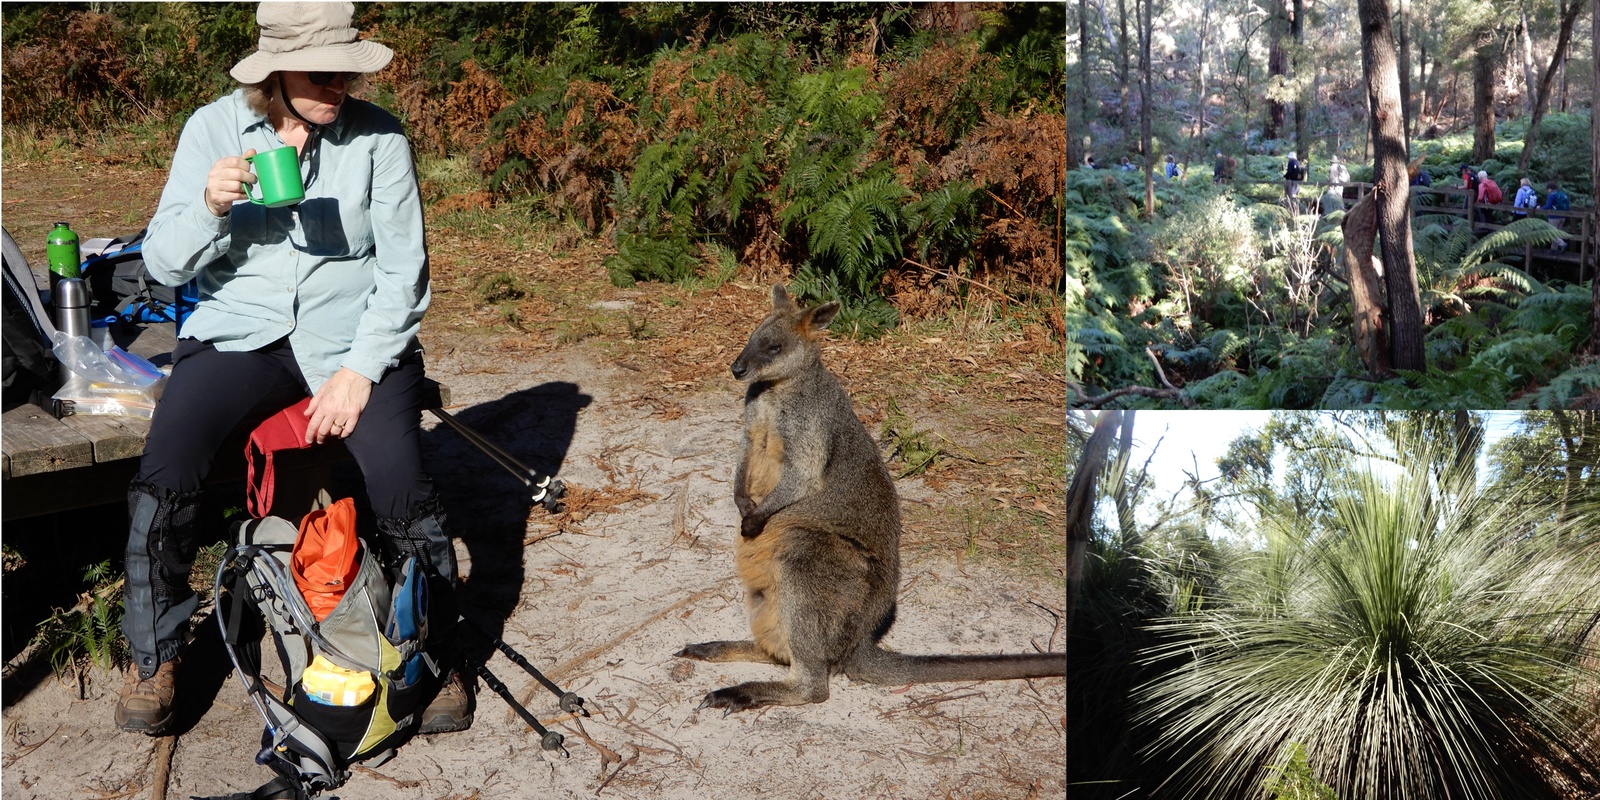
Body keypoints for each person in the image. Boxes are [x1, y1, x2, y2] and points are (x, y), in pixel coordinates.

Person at [114, 2, 473, 737]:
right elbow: (161, 263)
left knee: (401, 480)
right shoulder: (211, 130)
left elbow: (405, 271)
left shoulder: (379, 139)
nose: (341, 83)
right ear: (275, 72)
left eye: (348, 70)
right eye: (323, 72)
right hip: (243, 332)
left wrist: (360, 370)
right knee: (168, 466)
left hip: (356, 339)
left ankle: (433, 655)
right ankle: (155, 654)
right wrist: (211, 208)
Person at [1543, 181, 1571, 252]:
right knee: (1557, 233)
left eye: (1548, 189)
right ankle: (1554, 250)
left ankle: (1562, 244)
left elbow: (1548, 206)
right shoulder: (1560, 193)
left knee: (1551, 233)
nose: (1548, 191)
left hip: (1554, 217)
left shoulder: (1551, 195)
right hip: (1562, 217)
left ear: (1550, 188)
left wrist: (1539, 208)